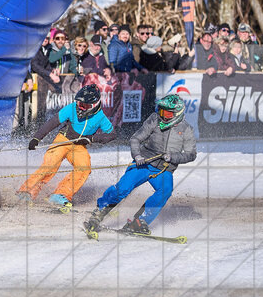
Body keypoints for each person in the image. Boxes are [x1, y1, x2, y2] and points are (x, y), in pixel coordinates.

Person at [83, 94, 197, 238]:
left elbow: (191, 154)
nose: (162, 115)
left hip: (164, 169)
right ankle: (100, 211)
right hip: (144, 162)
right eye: (161, 111)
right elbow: (136, 139)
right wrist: (137, 156)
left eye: (166, 113)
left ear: (177, 114)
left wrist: (173, 157)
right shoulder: (154, 119)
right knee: (123, 188)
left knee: (165, 191)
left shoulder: (187, 129)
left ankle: (139, 222)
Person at [18, 85, 116, 209]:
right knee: (50, 164)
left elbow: (112, 135)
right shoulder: (71, 108)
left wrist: (93, 139)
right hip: (63, 140)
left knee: (84, 168)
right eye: (79, 103)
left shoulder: (101, 117)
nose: (80, 107)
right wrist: (37, 138)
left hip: (79, 146)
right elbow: (52, 123)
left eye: (83, 105)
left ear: (93, 105)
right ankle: (26, 192)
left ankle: (60, 194)